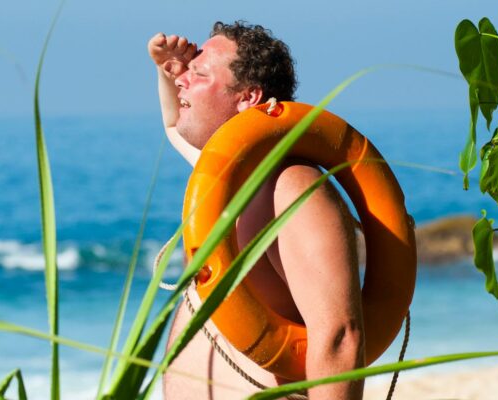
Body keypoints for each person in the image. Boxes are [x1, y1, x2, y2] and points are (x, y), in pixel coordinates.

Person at [149, 21, 364, 400]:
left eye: (199, 74)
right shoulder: (225, 178)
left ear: (248, 96)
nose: (182, 80)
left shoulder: (290, 188)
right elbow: (172, 125)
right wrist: (166, 70)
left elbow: (339, 336)